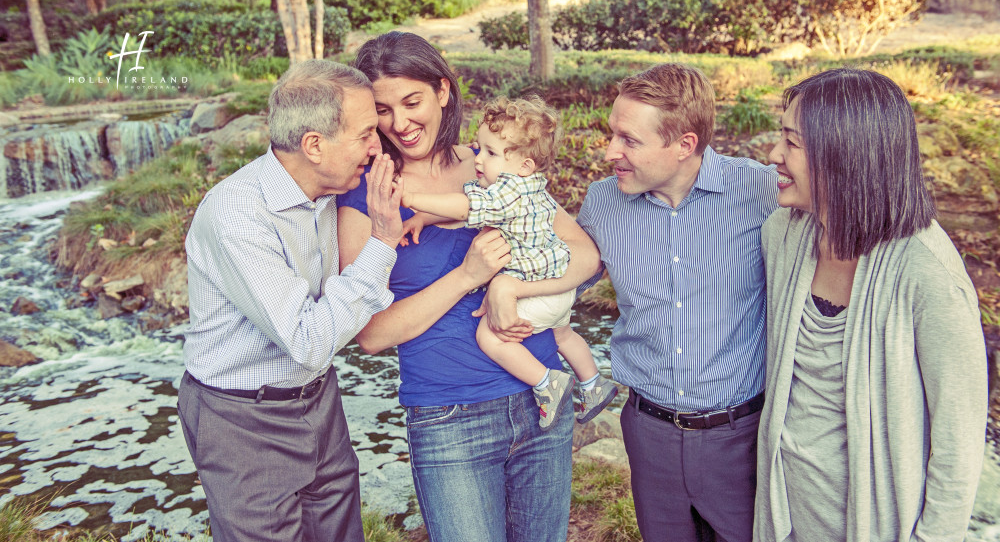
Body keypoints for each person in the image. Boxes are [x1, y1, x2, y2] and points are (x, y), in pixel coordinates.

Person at [338, 31, 602, 542]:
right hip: (449, 417)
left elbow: (586, 256)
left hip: (541, 396)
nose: (400, 122)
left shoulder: (493, 164)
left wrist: (510, 291)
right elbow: (369, 335)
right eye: (383, 110)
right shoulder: (368, 195)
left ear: (442, 90)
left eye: (412, 101)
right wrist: (467, 278)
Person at [754, 68, 987, 542]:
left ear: (845, 157)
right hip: (785, 519)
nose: (774, 155)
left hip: (876, 526)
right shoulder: (784, 233)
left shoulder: (927, 274)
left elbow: (958, 442)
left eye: (792, 143)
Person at [178, 60, 404, 542]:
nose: (376, 145)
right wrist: (382, 240)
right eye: (366, 133)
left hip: (318, 401)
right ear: (314, 146)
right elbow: (307, 340)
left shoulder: (330, 188)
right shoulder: (238, 212)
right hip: (241, 420)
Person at [576, 62, 778, 542]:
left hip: (742, 436)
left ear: (685, 145)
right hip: (649, 435)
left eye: (629, 140)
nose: (610, 152)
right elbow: (557, 279)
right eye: (612, 134)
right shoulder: (602, 202)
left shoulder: (762, 191)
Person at [399, 95, 618, 429]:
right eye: (480, 148)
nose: (478, 158)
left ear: (524, 165)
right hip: (555, 286)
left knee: (490, 337)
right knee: (563, 336)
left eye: (490, 153)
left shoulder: (506, 193)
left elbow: (464, 207)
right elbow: (469, 202)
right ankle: (593, 382)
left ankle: (547, 383)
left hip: (532, 290)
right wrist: (423, 220)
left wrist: (412, 200)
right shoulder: (530, 188)